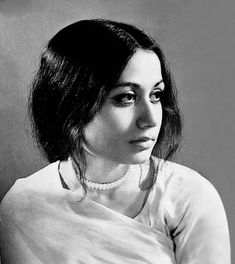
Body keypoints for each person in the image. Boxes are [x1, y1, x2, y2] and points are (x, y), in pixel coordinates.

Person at [0, 19, 230, 264]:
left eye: (156, 95)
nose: (151, 119)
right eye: (126, 97)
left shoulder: (189, 196)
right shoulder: (24, 206)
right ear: (72, 104)